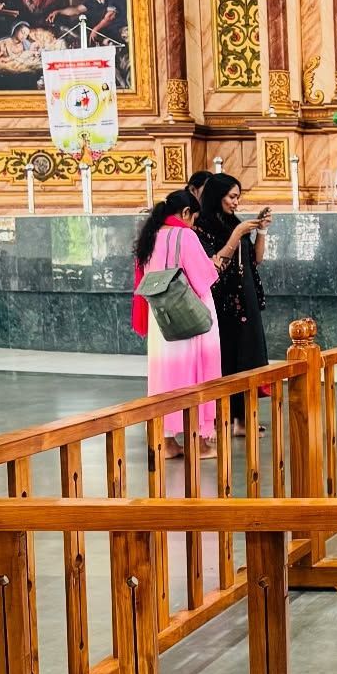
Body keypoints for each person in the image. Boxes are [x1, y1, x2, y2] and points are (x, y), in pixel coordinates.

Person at [133, 188, 244, 459]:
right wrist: (215, 263)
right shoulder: (185, 235)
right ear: (185, 213)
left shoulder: (150, 236)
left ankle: (167, 442)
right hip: (190, 316)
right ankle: (200, 443)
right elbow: (204, 278)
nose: (193, 224)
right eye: (193, 218)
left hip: (161, 318)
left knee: (164, 378)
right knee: (195, 376)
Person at [196, 173, 271, 434]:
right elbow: (214, 264)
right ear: (217, 196)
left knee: (248, 357)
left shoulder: (233, 222)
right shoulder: (202, 227)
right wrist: (237, 234)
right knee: (226, 359)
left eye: (238, 197)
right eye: (231, 197)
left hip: (246, 298)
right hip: (223, 301)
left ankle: (243, 419)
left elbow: (256, 259)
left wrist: (261, 231)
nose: (236, 202)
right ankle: (221, 418)